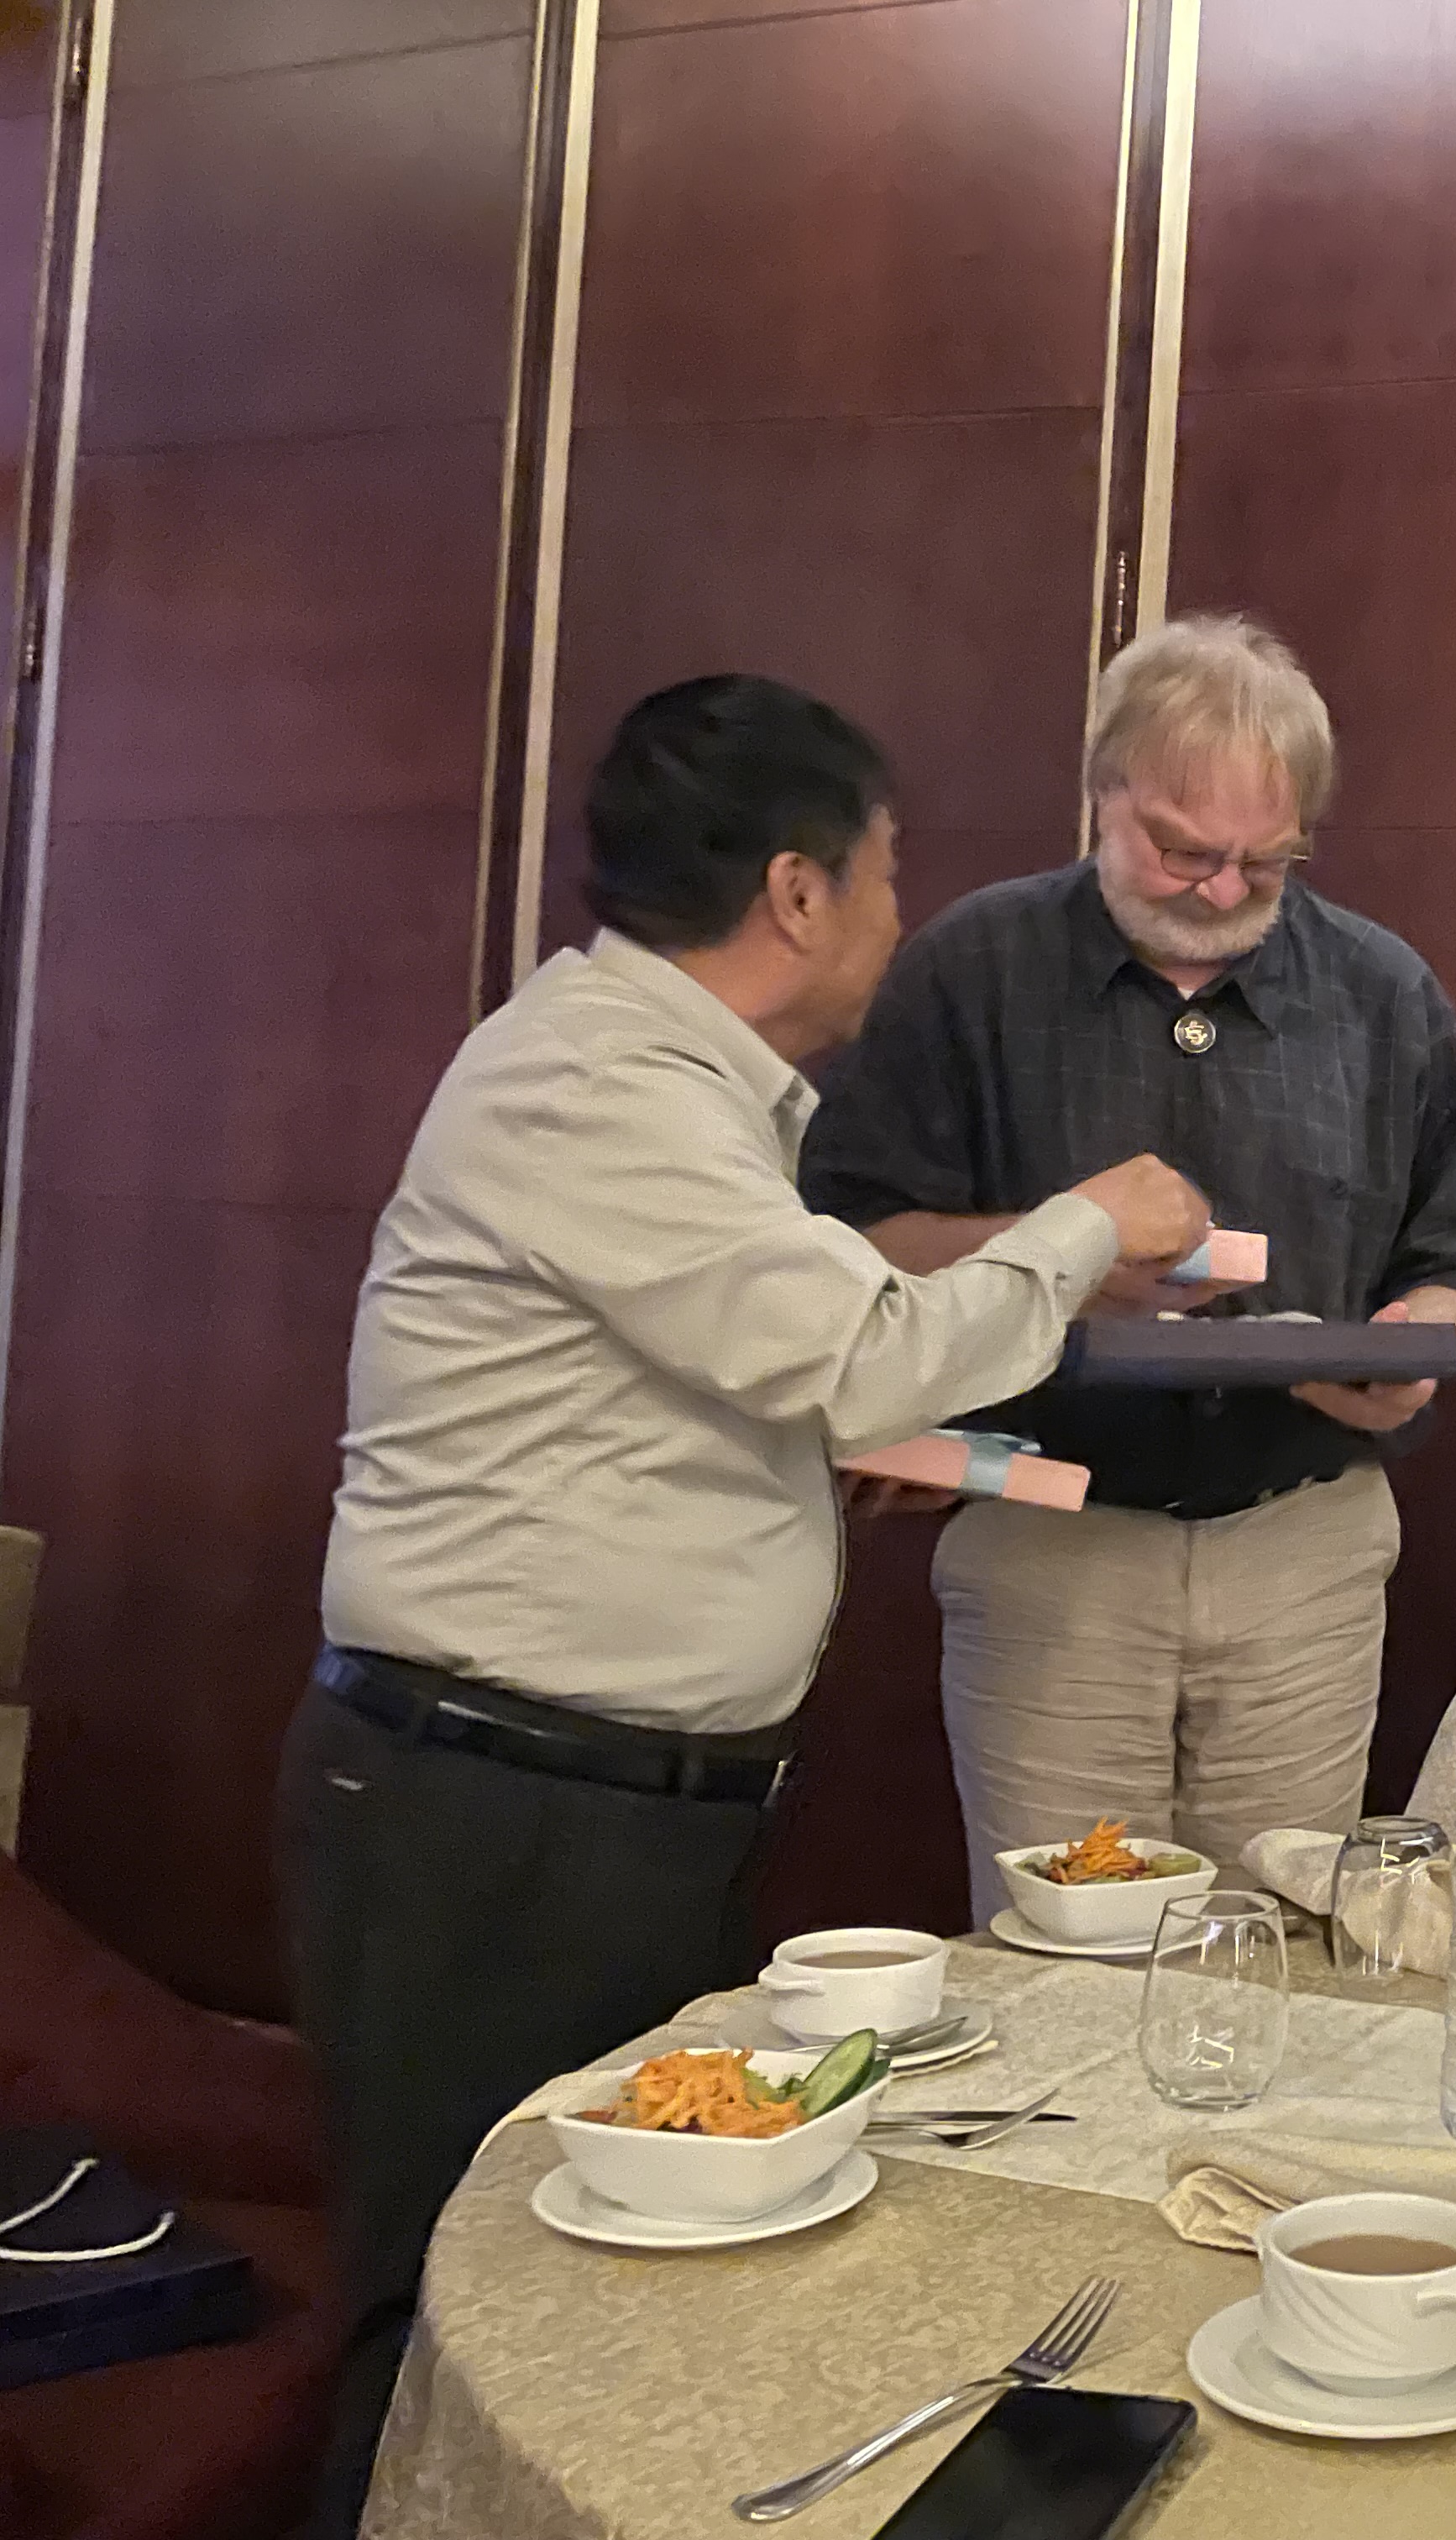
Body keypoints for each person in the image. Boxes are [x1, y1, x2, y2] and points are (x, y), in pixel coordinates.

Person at [280, 675, 1206, 2534]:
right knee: (461, 2317)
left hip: (599, 1810)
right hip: (497, 1811)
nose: (895, 913)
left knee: (603, 2304)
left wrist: (847, 1452)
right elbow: (859, 1351)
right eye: (886, 871)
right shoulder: (598, 1085)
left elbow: (736, 1375)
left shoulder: (680, 1089)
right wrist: (1090, 1224)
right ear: (798, 888)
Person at [799, 615, 1456, 1913]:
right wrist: (1063, 1244)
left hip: (1305, 1540)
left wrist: (1411, 1351)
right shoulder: (971, 968)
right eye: (1183, 850)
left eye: (1266, 861)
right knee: (1061, 1942)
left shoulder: (1380, 990)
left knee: (1280, 1942)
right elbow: (856, 1239)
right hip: (1052, 1535)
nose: (1224, 891)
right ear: (1103, 790)